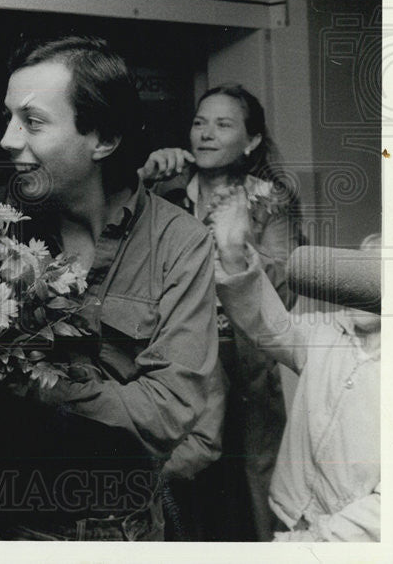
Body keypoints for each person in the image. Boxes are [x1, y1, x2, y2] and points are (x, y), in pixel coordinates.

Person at [0, 35, 217, 541]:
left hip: (117, 532)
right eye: (8, 117)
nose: (7, 139)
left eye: (32, 122)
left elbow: (164, 412)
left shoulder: (179, 242)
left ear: (101, 139)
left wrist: (30, 382)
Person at [140, 83, 302, 540]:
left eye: (223, 124)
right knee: (177, 494)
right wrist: (140, 179)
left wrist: (233, 252)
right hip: (174, 359)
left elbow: (283, 293)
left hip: (241, 364)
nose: (206, 134)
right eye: (199, 122)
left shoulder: (268, 199)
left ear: (251, 142)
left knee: (248, 491)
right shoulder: (166, 192)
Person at [208, 188, 380, 541]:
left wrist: (305, 545)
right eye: (359, 269)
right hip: (286, 518)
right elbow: (267, 326)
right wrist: (231, 252)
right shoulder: (327, 332)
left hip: (344, 544)